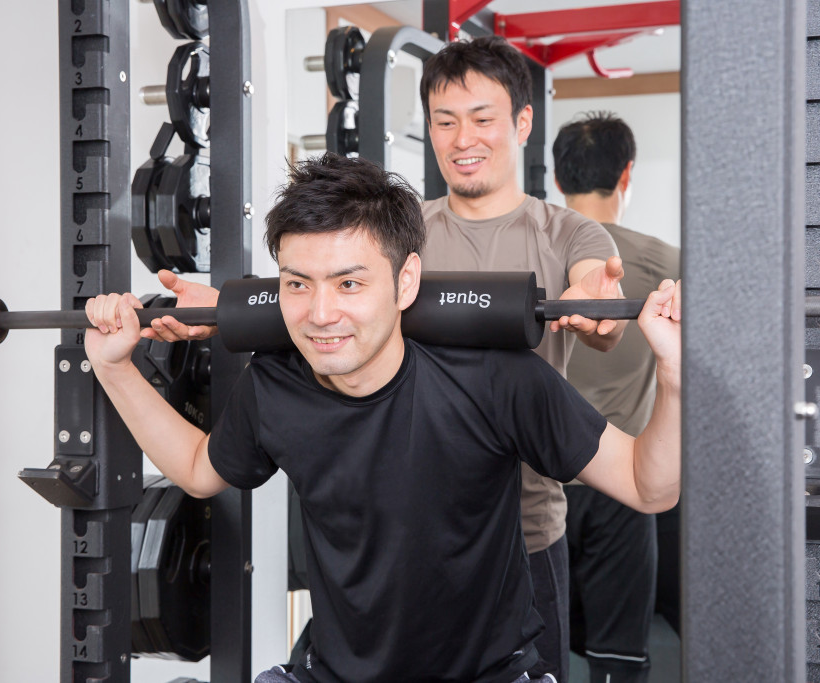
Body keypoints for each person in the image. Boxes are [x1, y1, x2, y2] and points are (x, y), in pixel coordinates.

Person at [84, 153, 682, 683]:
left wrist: (674, 379)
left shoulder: (498, 379)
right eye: (298, 284)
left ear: (406, 282)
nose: (321, 314)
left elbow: (645, 485)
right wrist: (115, 369)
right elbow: (198, 469)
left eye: (349, 283)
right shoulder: (274, 384)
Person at [143, 36, 630, 683]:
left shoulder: (568, 233)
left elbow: (599, 312)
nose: (463, 139)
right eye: (444, 121)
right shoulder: (400, 228)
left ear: (521, 122)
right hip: (395, 505)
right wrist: (228, 309)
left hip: (521, 526)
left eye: (482, 118)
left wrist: (592, 302)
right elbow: (321, 292)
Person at [554, 112, 682, 683]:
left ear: (559, 180)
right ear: (626, 174)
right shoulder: (667, 265)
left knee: (536, 650)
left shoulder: (531, 257)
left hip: (536, 483)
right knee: (618, 661)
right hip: (620, 487)